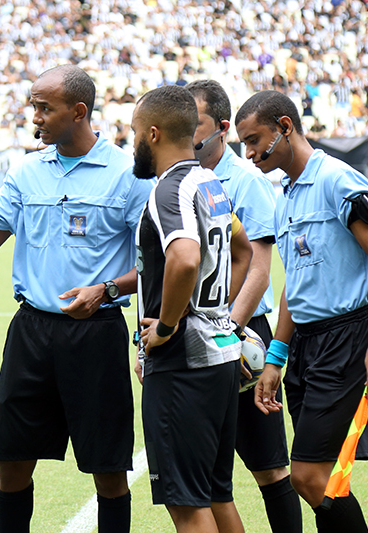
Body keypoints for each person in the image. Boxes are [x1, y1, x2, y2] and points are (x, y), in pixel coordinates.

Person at [0, 64, 153, 533]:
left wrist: (106, 289)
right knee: (13, 463)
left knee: (108, 471)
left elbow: (156, 264)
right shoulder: (26, 170)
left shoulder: (128, 174)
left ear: (78, 111)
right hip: (32, 333)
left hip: (97, 333)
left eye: (45, 108)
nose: (34, 116)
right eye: (33, 106)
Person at [235, 90, 368, 532]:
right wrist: (275, 358)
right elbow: (295, 285)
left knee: (308, 477)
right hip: (305, 346)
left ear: (285, 127)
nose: (248, 154)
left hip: (345, 341)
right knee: (320, 480)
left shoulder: (338, 180)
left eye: (254, 140)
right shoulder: (285, 194)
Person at [131, 84, 252, 533]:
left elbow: (184, 258)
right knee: (216, 494)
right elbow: (242, 250)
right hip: (218, 356)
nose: (134, 143)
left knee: (186, 504)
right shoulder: (210, 181)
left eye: (135, 133)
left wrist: (166, 326)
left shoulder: (171, 189)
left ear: (155, 134)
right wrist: (218, 312)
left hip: (184, 364)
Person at [185, 80, 302, 533]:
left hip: (242, 333)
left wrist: (226, 330)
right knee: (211, 475)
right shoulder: (178, 179)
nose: (188, 133)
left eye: (196, 124)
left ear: (222, 128)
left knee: (269, 468)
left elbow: (258, 268)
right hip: (194, 333)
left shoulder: (246, 180)